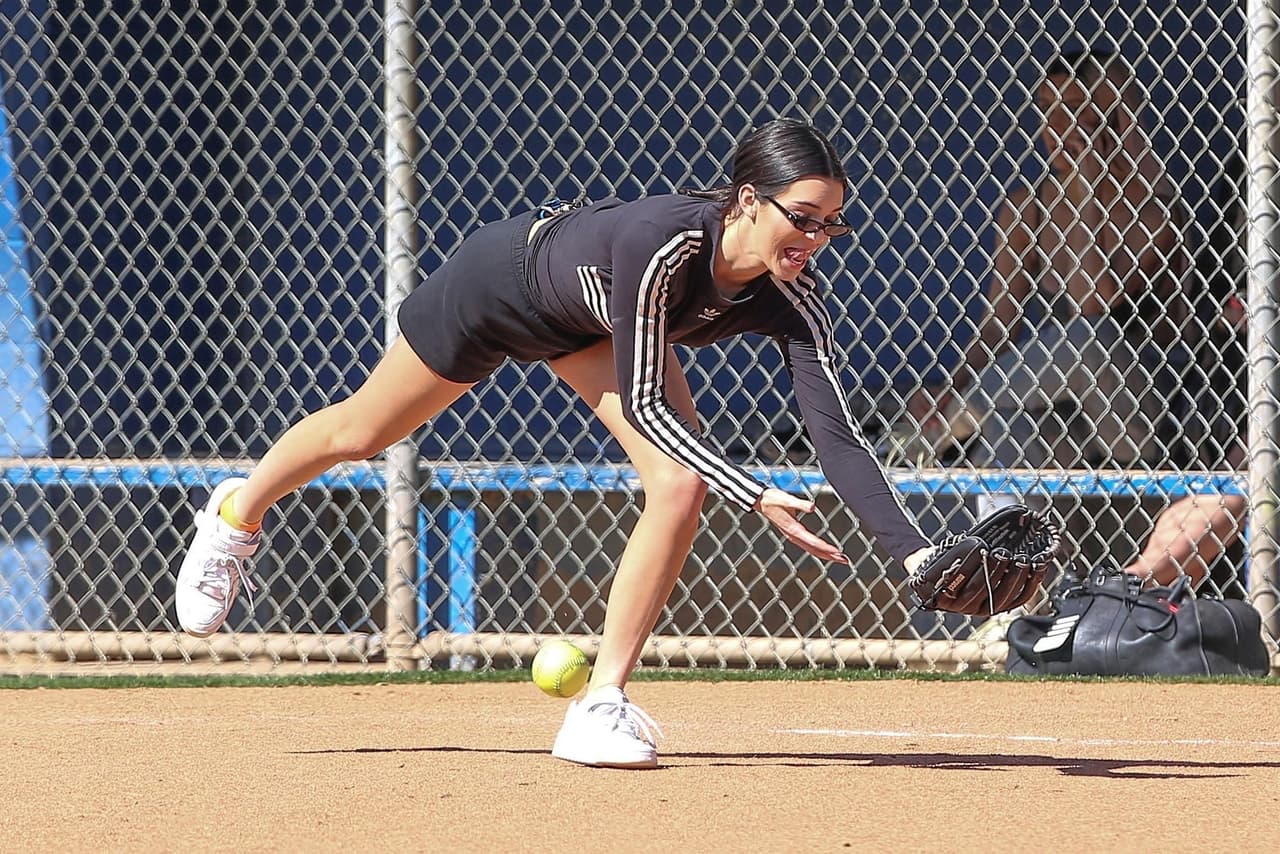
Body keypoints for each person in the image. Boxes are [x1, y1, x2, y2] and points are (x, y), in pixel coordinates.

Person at [175, 118, 937, 769]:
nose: (815, 238)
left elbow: (837, 436)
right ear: (747, 200)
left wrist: (916, 554)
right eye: (801, 217)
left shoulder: (796, 296)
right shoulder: (664, 241)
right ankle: (235, 516)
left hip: (594, 330)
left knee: (677, 485)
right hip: (501, 287)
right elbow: (642, 399)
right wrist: (755, 489)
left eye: (830, 224)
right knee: (364, 431)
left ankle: (600, 704)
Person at [913, 48, 1192, 476]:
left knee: (1088, 339)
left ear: (1114, 117)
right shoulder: (1029, 207)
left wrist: (1085, 194)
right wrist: (953, 384)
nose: (1057, 126)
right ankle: (1003, 536)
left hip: (1138, 417)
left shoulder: (1155, 211)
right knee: (1010, 420)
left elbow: (1091, 305)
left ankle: (957, 419)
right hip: (1058, 413)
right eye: (1048, 109)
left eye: (1076, 108)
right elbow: (998, 327)